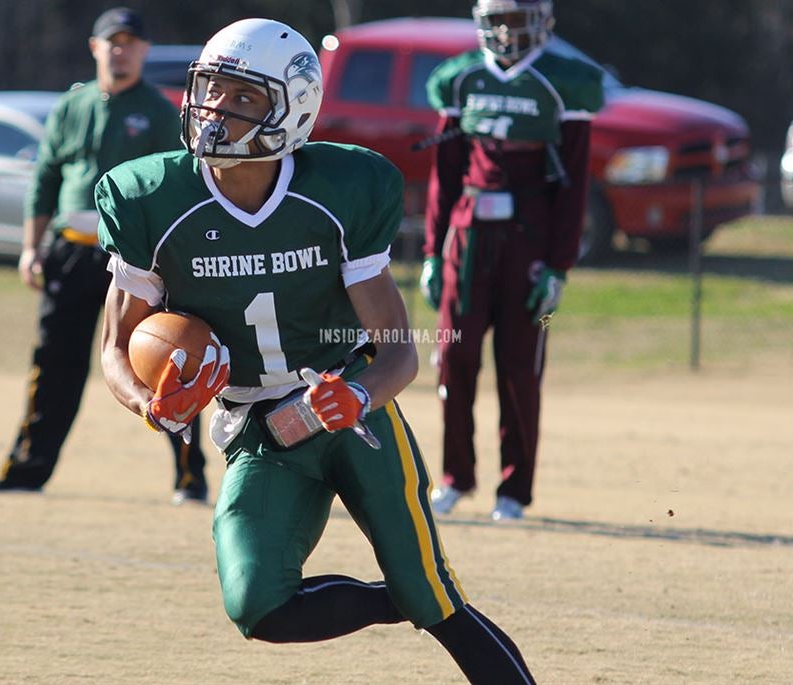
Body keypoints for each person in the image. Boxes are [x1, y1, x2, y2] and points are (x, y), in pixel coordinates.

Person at [98, 19, 537, 683]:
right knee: (256, 604)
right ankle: (402, 595)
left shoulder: (338, 191)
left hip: (348, 415)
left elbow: (398, 353)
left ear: (292, 109)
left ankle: (421, 593)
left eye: (242, 98)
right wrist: (149, 405)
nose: (215, 110)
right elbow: (115, 350)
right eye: (211, 90)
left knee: (436, 599)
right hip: (258, 427)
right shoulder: (153, 198)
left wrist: (356, 394)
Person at [0, 8, 208, 502]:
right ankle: (25, 472)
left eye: (130, 42)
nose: (121, 50)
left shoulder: (161, 111)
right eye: (112, 42)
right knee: (53, 363)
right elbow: (46, 179)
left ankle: (190, 476)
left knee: (162, 361)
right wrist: (30, 248)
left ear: (144, 50)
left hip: (134, 261)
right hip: (70, 252)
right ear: (95, 47)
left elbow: (178, 187)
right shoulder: (72, 104)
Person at [421, 0, 604, 520]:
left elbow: (573, 187)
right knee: (454, 357)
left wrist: (559, 267)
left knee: (521, 367)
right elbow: (445, 173)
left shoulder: (563, 82)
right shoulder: (460, 80)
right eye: (496, 20)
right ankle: (456, 476)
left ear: (541, 21)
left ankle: (513, 489)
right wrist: (435, 251)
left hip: (529, 242)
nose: (505, 31)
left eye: (515, 19)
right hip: (468, 238)